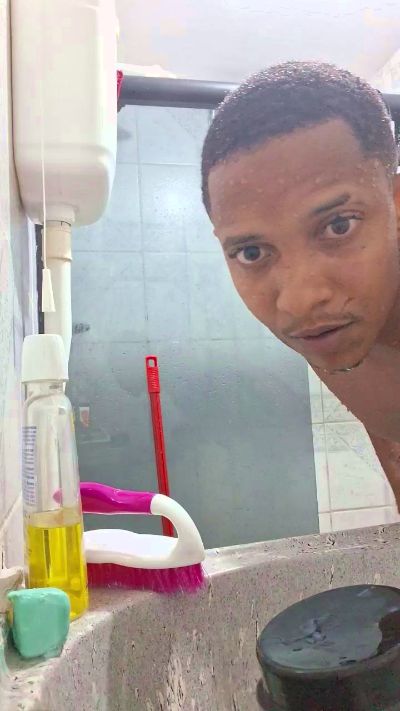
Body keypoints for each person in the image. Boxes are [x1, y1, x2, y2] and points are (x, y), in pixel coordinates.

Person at [201, 61, 400, 506]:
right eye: (252, 253)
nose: (299, 301)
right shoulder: (334, 328)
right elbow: (389, 428)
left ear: (396, 204)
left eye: (338, 226)